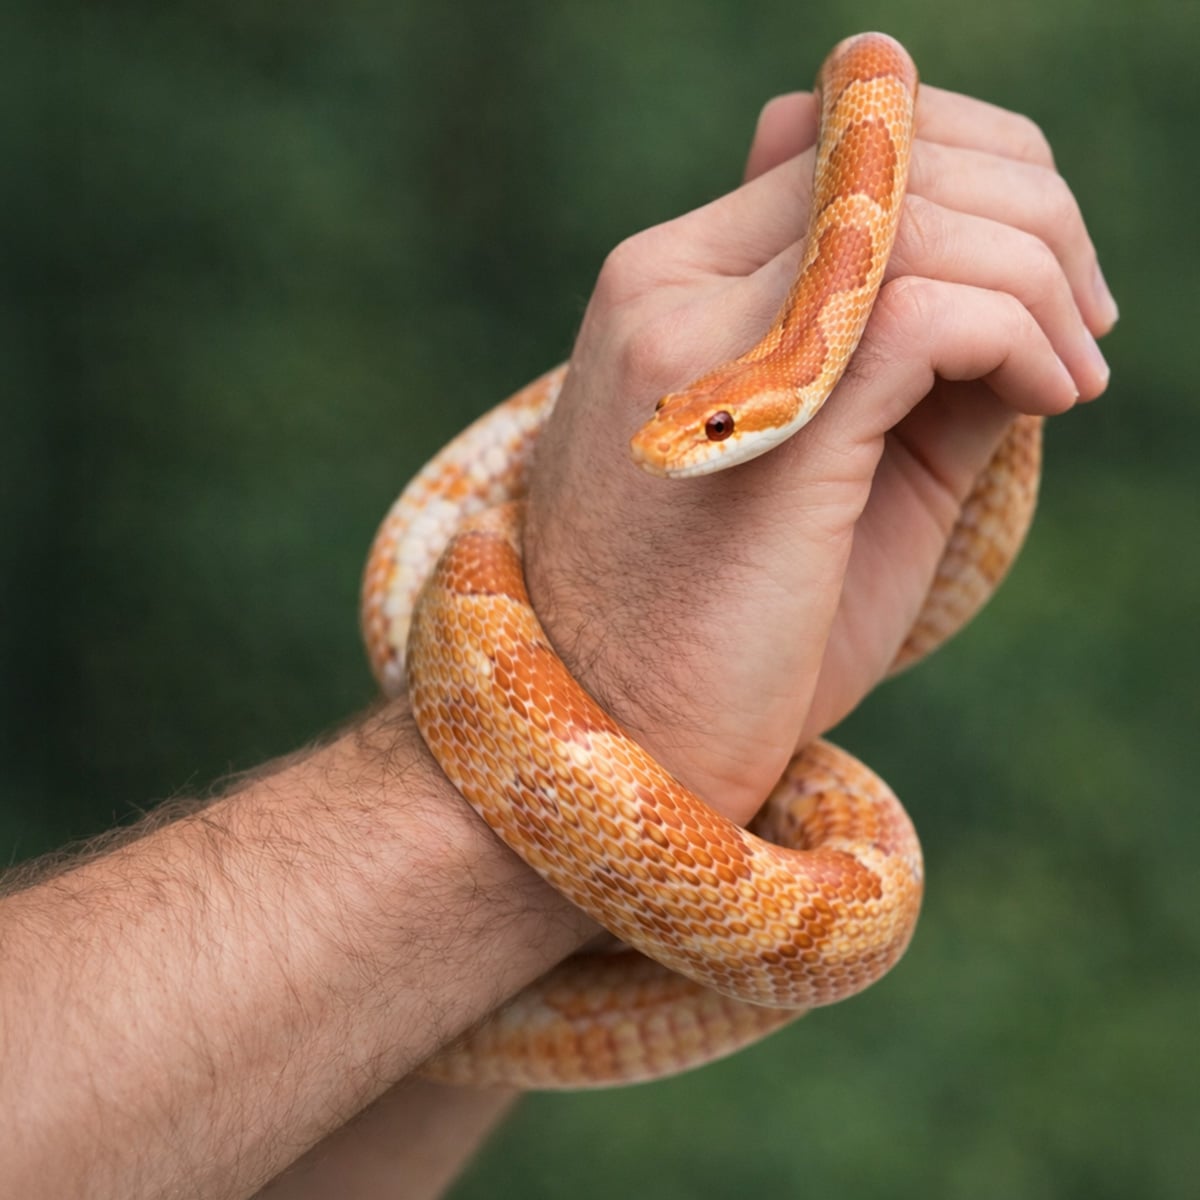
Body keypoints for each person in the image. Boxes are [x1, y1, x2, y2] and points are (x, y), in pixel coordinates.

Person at [3, 79, 1114, 1200]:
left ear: (780, 392)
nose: (683, 443)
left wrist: (598, 738)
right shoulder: (720, 396)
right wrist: (613, 715)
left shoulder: (806, 360)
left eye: (718, 425)